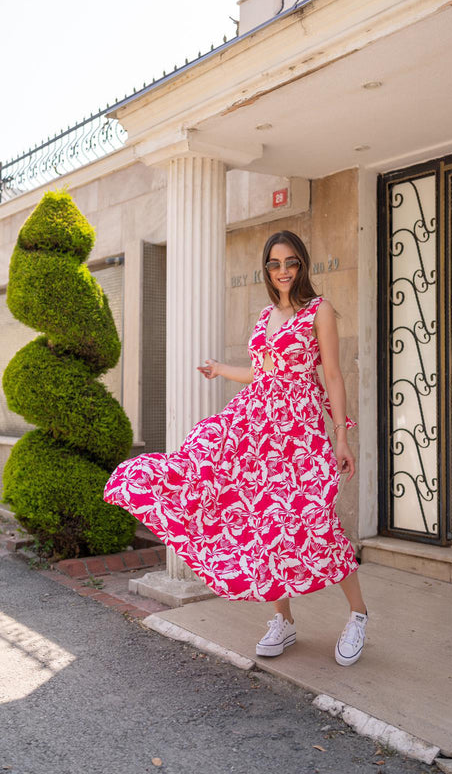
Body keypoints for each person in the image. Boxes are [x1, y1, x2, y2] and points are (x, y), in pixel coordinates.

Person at [103, 230, 367, 666]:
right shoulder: (266, 317)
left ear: (302, 264)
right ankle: (283, 619)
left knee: (315, 519)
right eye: (275, 265)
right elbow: (264, 374)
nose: (283, 272)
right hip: (255, 424)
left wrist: (341, 435)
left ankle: (357, 614)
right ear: (267, 270)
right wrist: (221, 369)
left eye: (291, 263)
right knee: (258, 520)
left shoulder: (319, 311)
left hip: (298, 432)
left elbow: (333, 376)